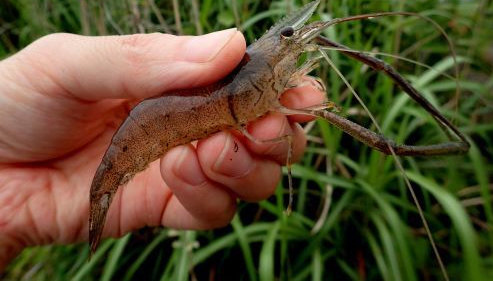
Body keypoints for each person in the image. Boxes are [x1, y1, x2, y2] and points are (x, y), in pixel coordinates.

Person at [0, 29, 324, 269]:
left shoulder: (265, 76)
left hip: (174, 118)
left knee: (266, 132)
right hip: (144, 130)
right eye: (286, 40)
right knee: (276, 128)